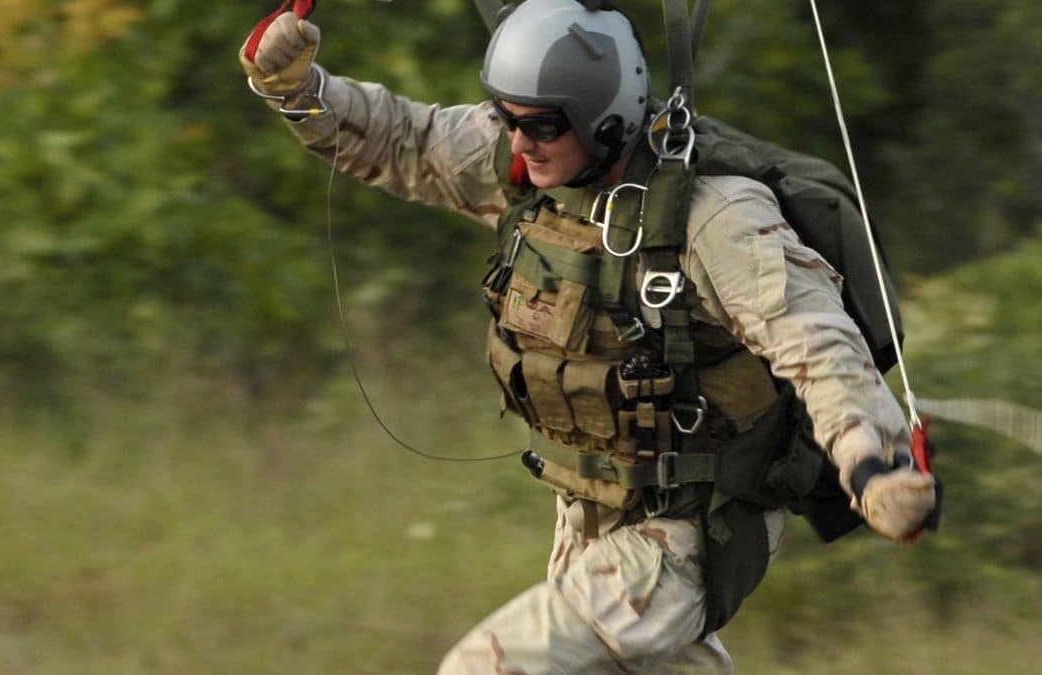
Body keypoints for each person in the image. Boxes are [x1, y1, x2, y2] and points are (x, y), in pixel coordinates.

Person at [240, 1, 938, 672]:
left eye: (540, 125)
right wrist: (297, 89)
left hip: (688, 532)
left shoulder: (715, 216)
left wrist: (872, 465)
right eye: (507, 119)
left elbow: (816, 342)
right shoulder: (527, 169)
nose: (518, 141)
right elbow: (404, 140)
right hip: (588, 525)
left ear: (602, 119)